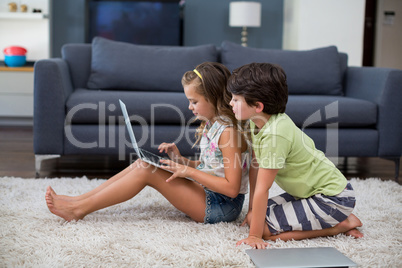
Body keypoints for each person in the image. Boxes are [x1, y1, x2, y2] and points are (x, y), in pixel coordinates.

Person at [45, 62, 250, 224]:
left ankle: (79, 209)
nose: (189, 107)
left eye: (194, 102)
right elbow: (213, 168)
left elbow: (231, 189)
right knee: (142, 164)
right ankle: (79, 201)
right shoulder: (213, 125)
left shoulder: (228, 132)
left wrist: (189, 172)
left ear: (213, 98)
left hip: (222, 206)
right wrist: (181, 161)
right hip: (210, 195)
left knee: (146, 170)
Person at [227, 62, 363, 249]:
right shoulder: (256, 121)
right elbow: (256, 166)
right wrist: (252, 209)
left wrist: (255, 235)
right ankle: (335, 218)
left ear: (257, 106)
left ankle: (340, 225)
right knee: (253, 216)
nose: (230, 103)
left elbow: (263, 189)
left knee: (264, 230)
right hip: (309, 194)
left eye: (235, 99)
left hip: (332, 198)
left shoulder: (276, 133)